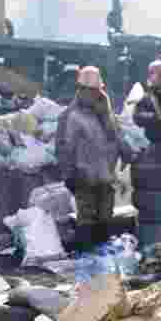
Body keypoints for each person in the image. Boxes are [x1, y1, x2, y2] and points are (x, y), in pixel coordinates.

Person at [56, 66, 135, 243]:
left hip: (105, 178)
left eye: (96, 90)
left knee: (105, 220)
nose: (94, 94)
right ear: (80, 90)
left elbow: (117, 136)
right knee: (86, 221)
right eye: (90, 91)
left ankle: (102, 258)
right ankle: (86, 259)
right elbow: (63, 149)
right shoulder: (70, 116)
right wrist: (69, 175)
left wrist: (127, 153)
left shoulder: (105, 114)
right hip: (84, 178)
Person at [133, 60, 161, 163]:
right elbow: (137, 117)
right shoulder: (147, 96)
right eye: (155, 73)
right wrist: (156, 117)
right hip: (157, 145)